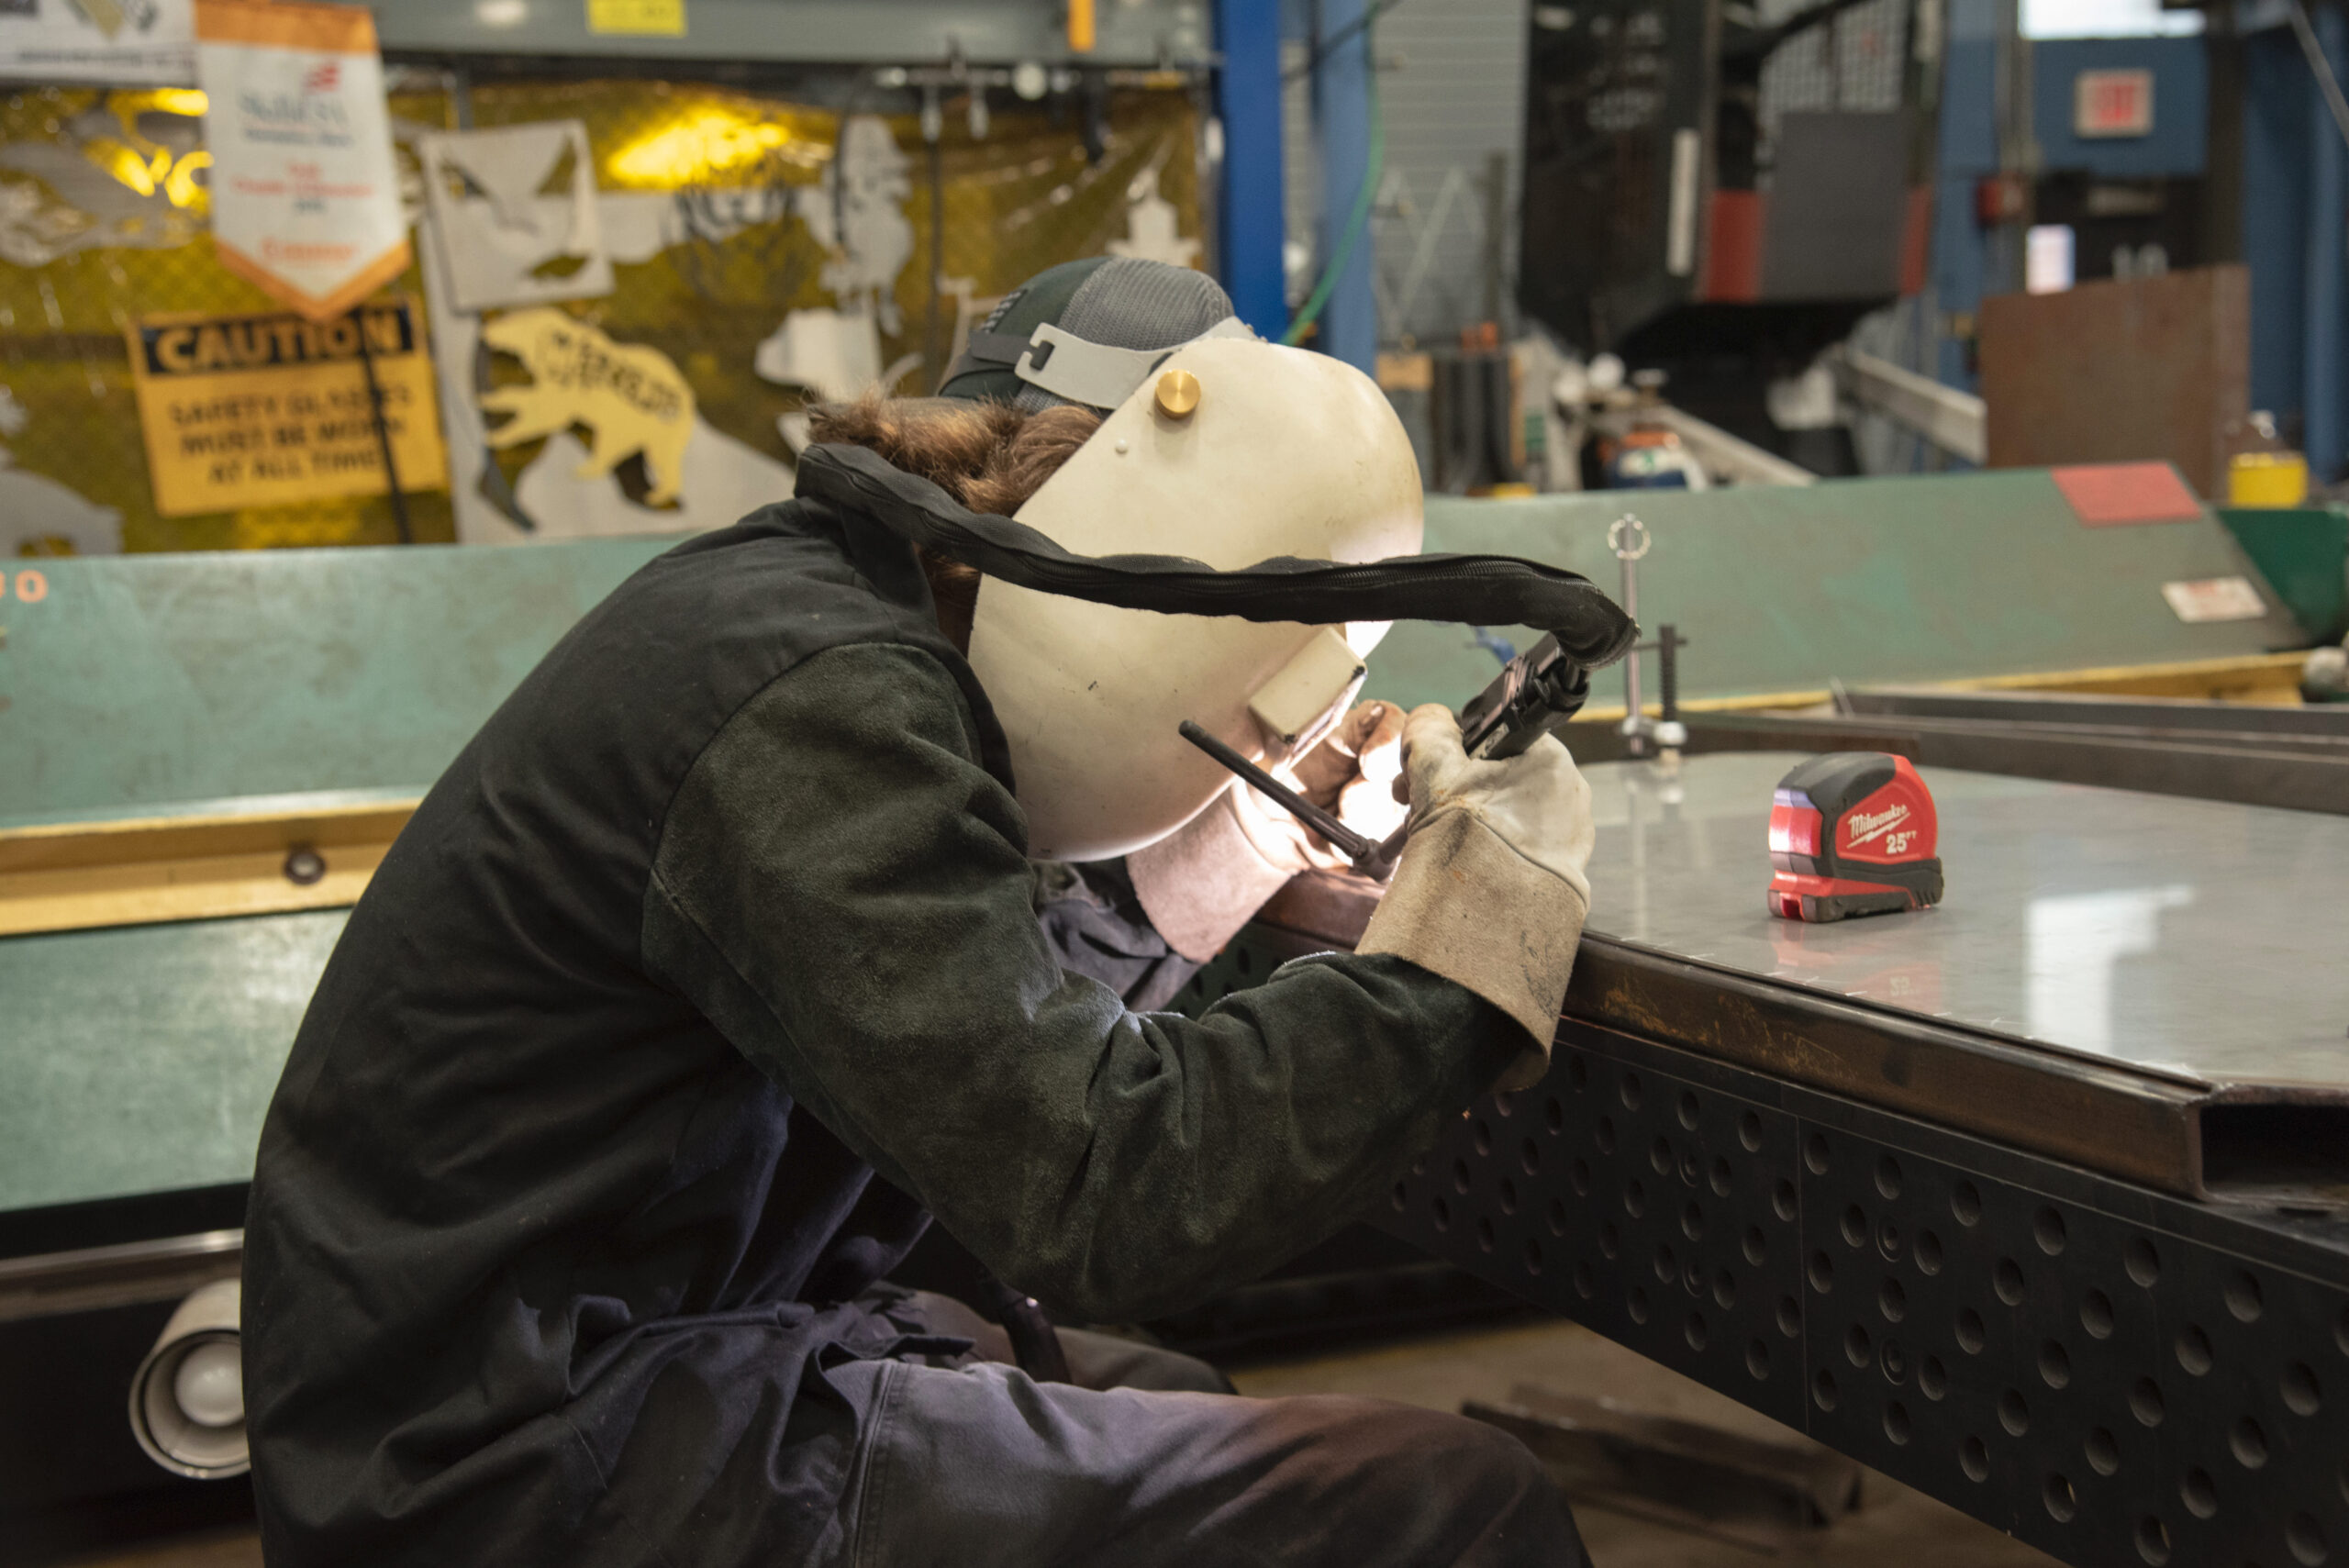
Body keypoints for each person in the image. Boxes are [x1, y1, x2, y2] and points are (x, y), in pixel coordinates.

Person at [242, 258, 1631, 1567]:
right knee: (1453, 1507)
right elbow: (1103, 1185)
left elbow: (970, 1020)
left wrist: (1219, 855)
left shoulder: (827, 620)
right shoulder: (819, 699)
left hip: (625, 1349)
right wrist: (1471, 930)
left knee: (1176, 1390)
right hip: (514, 1462)